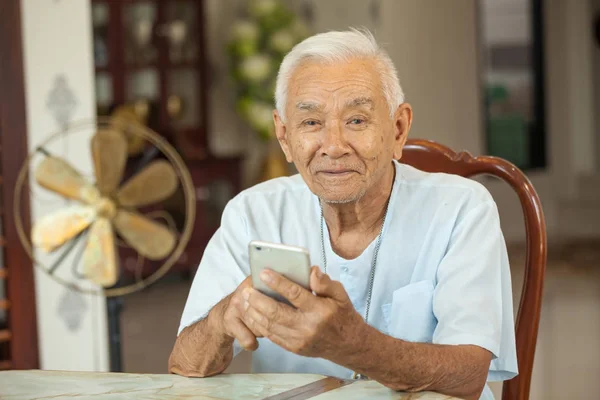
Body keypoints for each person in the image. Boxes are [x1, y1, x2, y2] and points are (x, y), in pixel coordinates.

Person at [169, 28, 517, 400]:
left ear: (398, 129)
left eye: (356, 120)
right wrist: (224, 318)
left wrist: (351, 344)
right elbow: (185, 366)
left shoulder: (462, 209)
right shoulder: (252, 214)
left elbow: (469, 378)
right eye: (311, 123)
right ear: (284, 137)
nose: (333, 147)